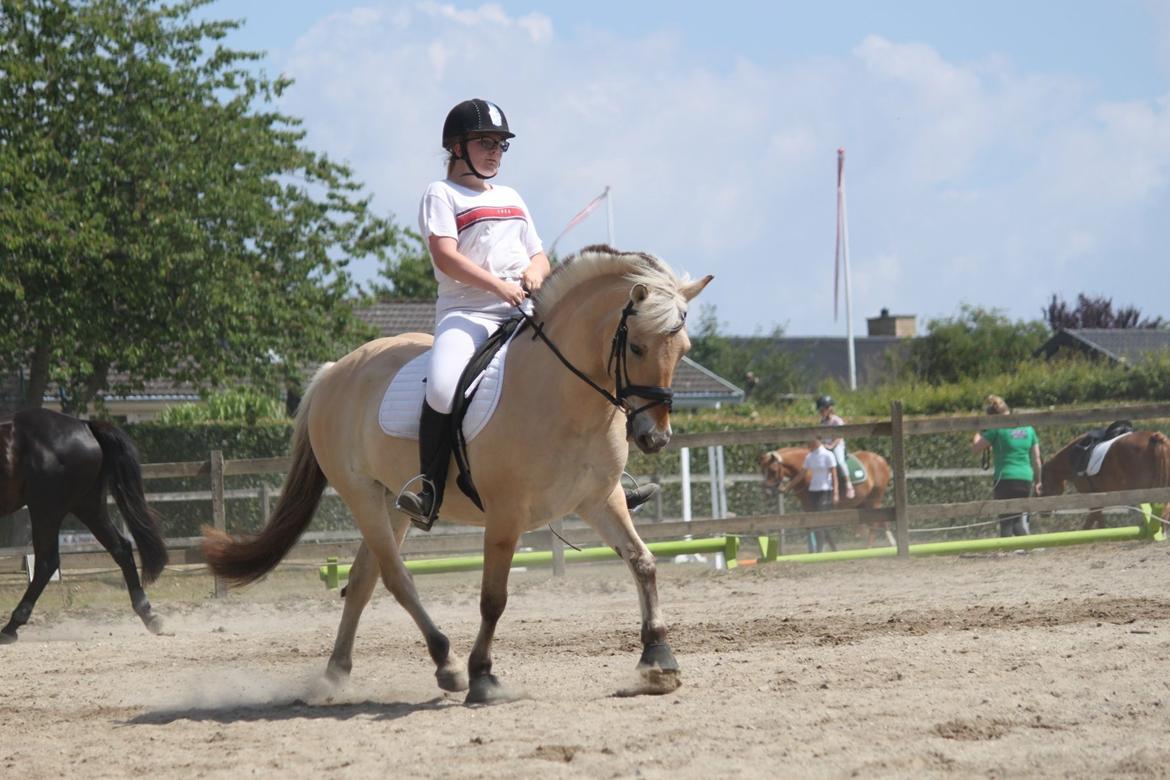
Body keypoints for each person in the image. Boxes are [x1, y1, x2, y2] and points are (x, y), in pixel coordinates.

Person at [395, 99, 657, 530]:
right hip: (469, 312)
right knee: (442, 388)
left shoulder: (511, 197)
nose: (495, 151)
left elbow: (538, 254)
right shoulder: (441, 194)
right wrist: (499, 286)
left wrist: (536, 275)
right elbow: (445, 257)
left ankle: (609, 479)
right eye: (485, 142)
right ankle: (428, 487)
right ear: (457, 147)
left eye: (501, 144)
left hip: (525, 308)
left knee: (590, 367)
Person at [970, 394, 1042, 537]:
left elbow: (975, 449)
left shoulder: (996, 429)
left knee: (1006, 522)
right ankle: (1027, 549)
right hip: (1025, 478)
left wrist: (978, 433)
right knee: (1017, 520)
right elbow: (1037, 459)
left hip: (1005, 478)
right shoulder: (1028, 429)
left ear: (992, 417)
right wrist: (1038, 481)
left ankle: (1008, 554)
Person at [801, 436, 839, 552]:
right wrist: (788, 486)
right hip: (813, 490)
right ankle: (833, 548)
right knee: (817, 521)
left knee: (820, 521)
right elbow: (802, 473)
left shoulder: (828, 455)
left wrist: (835, 492)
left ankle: (819, 549)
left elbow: (834, 474)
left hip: (825, 490)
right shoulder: (810, 456)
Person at [815, 395, 855, 500]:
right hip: (825, 445)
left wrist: (832, 445)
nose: (821, 412)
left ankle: (848, 484)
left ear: (829, 409)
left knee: (840, 461)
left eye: (822, 409)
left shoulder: (837, 420)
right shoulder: (822, 422)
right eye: (820, 410)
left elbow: (840, 435)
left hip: (837, 445)